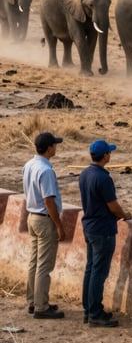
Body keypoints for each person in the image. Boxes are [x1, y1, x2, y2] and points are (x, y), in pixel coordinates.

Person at [79, 139, 132, 327]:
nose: (110, 155)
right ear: (105, 156)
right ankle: (95, 313)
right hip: (103, 230)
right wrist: (124, 215)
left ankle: (89, 309)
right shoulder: (103, 178)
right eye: (109, 152)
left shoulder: (85, 174)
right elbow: (113, 205)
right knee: (99, 273)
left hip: (90, 227)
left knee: (91, 269)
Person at [23, 131, 66, 319]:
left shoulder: (29, 165)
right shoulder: (46, 171)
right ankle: (41, 306)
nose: (56, 148)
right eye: (54, 145)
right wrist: (59, 225)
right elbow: (49, 200)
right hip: (44, 219)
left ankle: (33, 301)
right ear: (49, 149)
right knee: (44, 265)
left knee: (34, 262)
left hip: (32, 216)